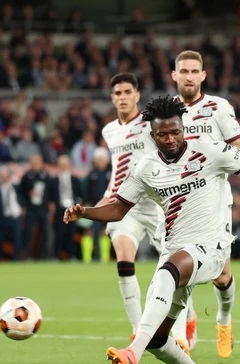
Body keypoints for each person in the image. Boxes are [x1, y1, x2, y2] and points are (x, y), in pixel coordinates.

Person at [63, 96, 240, 364]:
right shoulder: (145, 169)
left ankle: (132, 352)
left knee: (168, 272)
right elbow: (118, 208)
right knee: (157, 337)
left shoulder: (208, 149)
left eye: (175, 131)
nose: (170, 138)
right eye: (162, 134)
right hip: (176, 250)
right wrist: (86, 212)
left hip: (212, 247)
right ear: (152, 135)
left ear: (183, 127)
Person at [172, 49, 240, 358]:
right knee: (177, 268)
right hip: (177, 204)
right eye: (183, 71)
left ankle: (224, 319)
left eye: (194, 71)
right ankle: (185, 326)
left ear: (203, 76)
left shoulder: (218, 107)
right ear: (174, 75)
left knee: (222, 275)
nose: (189, 76)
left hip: (215, 203)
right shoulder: (166, 111)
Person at [96, 72, 164, 339]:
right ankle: (138, 331)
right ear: (112, 98)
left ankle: (188, 317)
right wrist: (105, 197)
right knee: (124, 261)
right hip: (125, 205)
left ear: (137, 95)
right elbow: (118, 169)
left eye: (127, 92)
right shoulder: (109, 130)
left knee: (175, 267)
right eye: (117, 93)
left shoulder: (151, 124)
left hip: (157, 203)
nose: (122, 97)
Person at [0, 165, 23, 261]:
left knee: (17, 242)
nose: (3, 177)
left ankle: (15, 261)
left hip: (15, 218)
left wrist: (22, 208)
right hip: (2, 219)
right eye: (1, 175)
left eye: (5, 175)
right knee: (0, 242)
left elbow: (23, 198)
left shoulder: (16, 188)